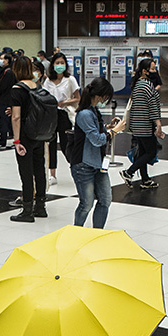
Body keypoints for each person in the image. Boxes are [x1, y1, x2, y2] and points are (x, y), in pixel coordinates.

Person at [69, 77, 116, 228]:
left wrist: (108, 127)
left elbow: (95, 132)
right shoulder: (84, 114)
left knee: (105, 200)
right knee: (86, 204)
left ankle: (97, 233)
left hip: (97, 163)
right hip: (84, 164)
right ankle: (77, 232)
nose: (107, 101)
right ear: (101, 96)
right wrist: (114, 131)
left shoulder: (94, 111)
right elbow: (96, 139)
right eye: (107, 97)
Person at [9, 55, 50, 222]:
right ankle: (40, 207)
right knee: (39, 171)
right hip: (39, 134)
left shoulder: (17, 89)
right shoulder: (37, 86)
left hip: (25, 135)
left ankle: (27, 210)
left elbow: (16, 117)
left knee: (26, 173)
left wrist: (17, 140)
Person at [121, 58, 165, 189]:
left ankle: (145, 179)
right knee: (151, 152)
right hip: (145, 125)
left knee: (142, 152)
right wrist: (158, 124)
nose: (155, 71)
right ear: (144, 71)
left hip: (137, 125)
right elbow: (152, 106)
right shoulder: (147, 85)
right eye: (152, 69)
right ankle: (128, 172)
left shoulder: (137, 85)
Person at [43, 53, 79, 189]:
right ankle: (52, 174)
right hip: (51, 114)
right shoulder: (48, 81)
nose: (59, 65)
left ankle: (75, 169)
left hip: (64, 114)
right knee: (51, 144)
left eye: (62, 63)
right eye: (57, 63)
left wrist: (65, 102)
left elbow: (78, 98)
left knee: (66, 143)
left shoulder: (70, 80)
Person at [0, 50, 15, 151]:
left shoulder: (8, 72)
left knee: (4, 121)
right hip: (2, 99)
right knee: (2, 120)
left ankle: (2, 142)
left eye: (2, 59)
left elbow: (2, 86)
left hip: (5, 99)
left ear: (7, 61)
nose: (0, 61)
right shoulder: (3, 71)